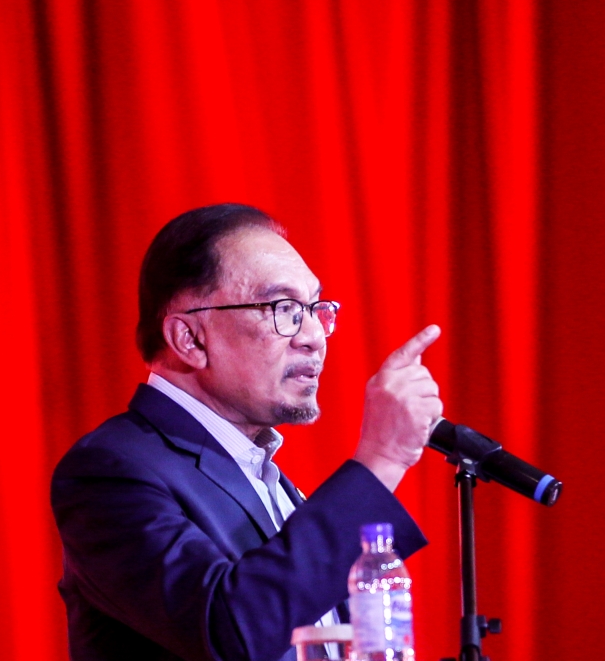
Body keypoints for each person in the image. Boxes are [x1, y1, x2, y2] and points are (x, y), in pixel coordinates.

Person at [51, 203, 443, 661]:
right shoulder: (111, 470)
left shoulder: (267, 479)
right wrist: (381, 460)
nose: (314, 336)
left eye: (315, 308)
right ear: (190, 339)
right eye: (283, 308)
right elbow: (228, 631)